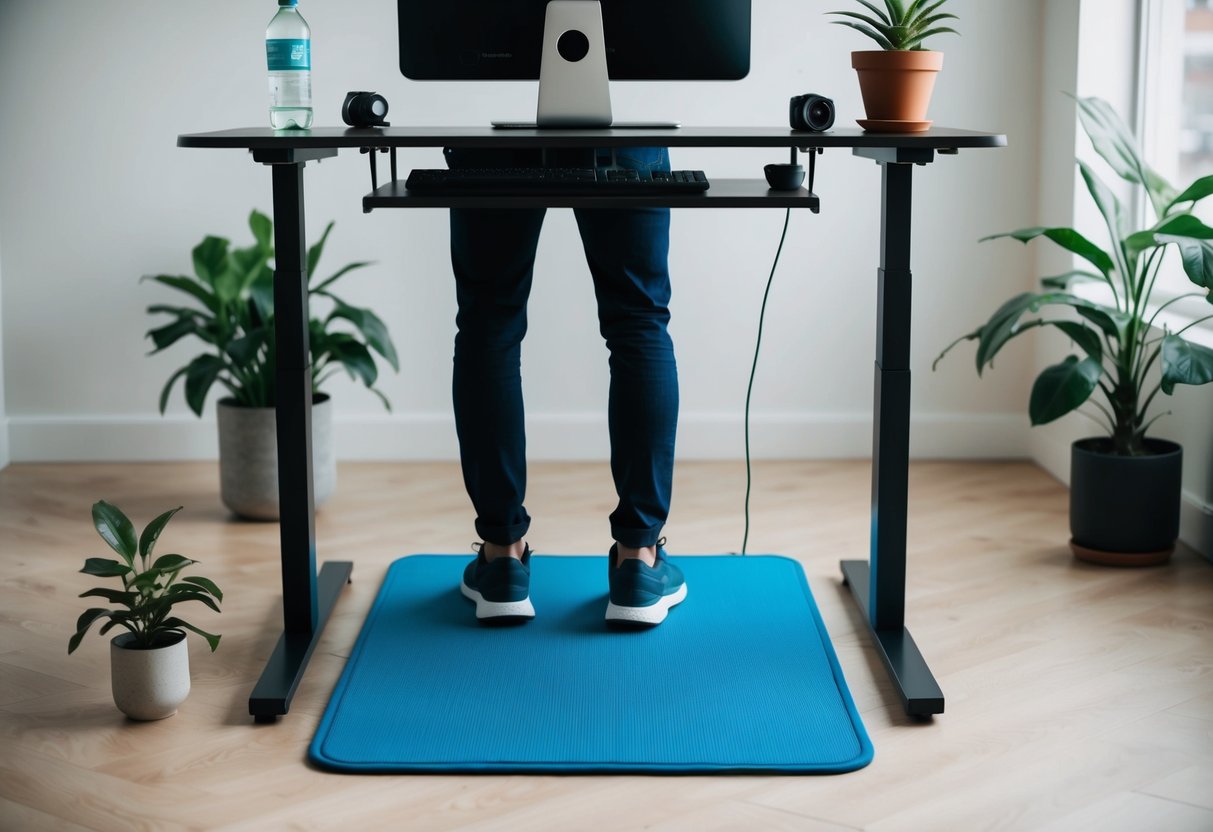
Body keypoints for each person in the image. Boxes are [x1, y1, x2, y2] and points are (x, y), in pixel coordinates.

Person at [445, 145, 687, 628]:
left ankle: (502, 559)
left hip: (489, 133)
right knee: (638, 323)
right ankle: (638, 561)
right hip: (620, 139)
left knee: (488, 325)